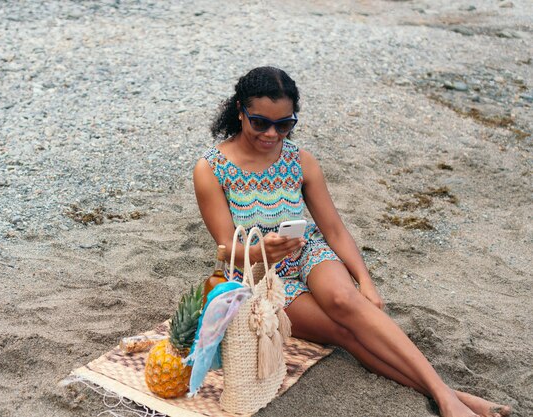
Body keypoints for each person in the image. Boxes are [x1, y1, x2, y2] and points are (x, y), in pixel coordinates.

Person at [192, 66, 511, 417]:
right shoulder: (212, 168)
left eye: (284, 125)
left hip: (306, 250)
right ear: (240, 111)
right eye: (260, 123)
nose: (272, 134)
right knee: (343, 331)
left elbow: (334, 230)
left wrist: (367, 281)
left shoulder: (301, 162)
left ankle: (444, 397)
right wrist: (258, 251)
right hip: (261, 276)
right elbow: (226, 248)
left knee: (347, 301)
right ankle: (454, 396)